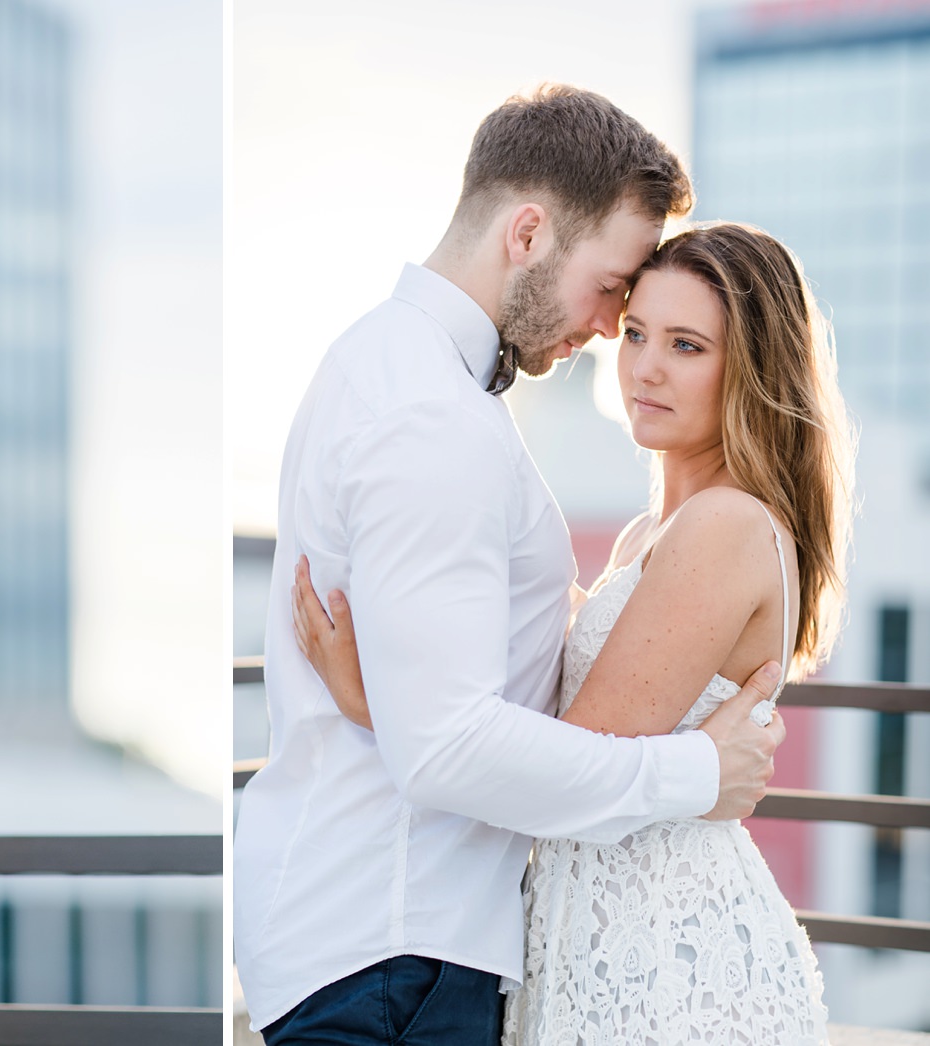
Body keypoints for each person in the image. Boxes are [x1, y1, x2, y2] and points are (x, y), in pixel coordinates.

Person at [230, 85, 786, 1045]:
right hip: (395, 952)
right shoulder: (430, 414)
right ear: (528, 233)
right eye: (615, 289)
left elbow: (452, 710)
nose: (616, 331)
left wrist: (388, 703)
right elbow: (445, 743)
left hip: (403, 946)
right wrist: (697, 772)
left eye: (677, 338)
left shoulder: (398, 370)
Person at [294, 220, 851, 1044]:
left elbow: (565, 774)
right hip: (595, 933)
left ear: (751, 371)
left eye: (687, 345)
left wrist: (377, 704)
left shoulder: (725, 527)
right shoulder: (649, 537)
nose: (644, 367)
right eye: (634, 333)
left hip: (670, 962)